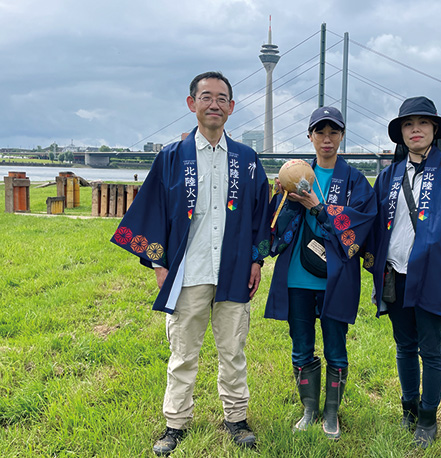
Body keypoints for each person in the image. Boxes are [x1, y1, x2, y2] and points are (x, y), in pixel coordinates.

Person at [111, 72, 271, 455]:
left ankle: (236, 418)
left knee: (233, 350)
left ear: (231, 108)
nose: (214, 104)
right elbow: (151, 212)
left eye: (222, 98)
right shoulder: (171, 157)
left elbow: (260, 215)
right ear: (191, 103)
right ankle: (175, 423)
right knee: (183, 352)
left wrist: (257, 260)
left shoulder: (247, 161)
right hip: (187, 271)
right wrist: (158, 264)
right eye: (206, 97)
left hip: (233, 269)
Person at [363, 96, 441, 449]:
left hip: (434, 273)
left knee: (431, 348)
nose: (414, 129)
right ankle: (408, 409)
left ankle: (429, 417)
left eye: (422, 123)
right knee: (404, 346)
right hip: (396, 273)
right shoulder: (388, 175)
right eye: (407, 124)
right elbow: (374, 228)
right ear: (400, 133)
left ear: (435, 129)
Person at [265, 107, 376, 439]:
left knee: (335, 348)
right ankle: (310, 408)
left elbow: (358, 228)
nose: (326, 139)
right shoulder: (296, 173)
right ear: (310, 136)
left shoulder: (355, 181)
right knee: (300, 346)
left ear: (342, 136)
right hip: (297, 276)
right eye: (320, 132)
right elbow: (276, 229)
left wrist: (317, 205)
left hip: (335, 279)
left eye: (333, 132)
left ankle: (331, 413)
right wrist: (283, 197)